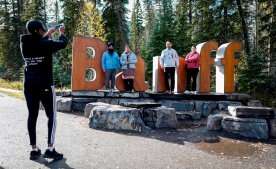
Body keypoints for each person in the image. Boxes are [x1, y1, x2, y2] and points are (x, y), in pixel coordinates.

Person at [20, 20, 68, 160]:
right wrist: (62, 33)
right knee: (52, 116)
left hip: (29, 85)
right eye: (43, 29)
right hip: (45, 85)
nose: (44, 30)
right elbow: (62, 43)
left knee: (32, 115)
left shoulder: (24, 43)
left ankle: (34, 150)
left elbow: (37, 41)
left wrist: (48, 33)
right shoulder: (46, 44)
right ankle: (50, 148)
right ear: (39, 30)